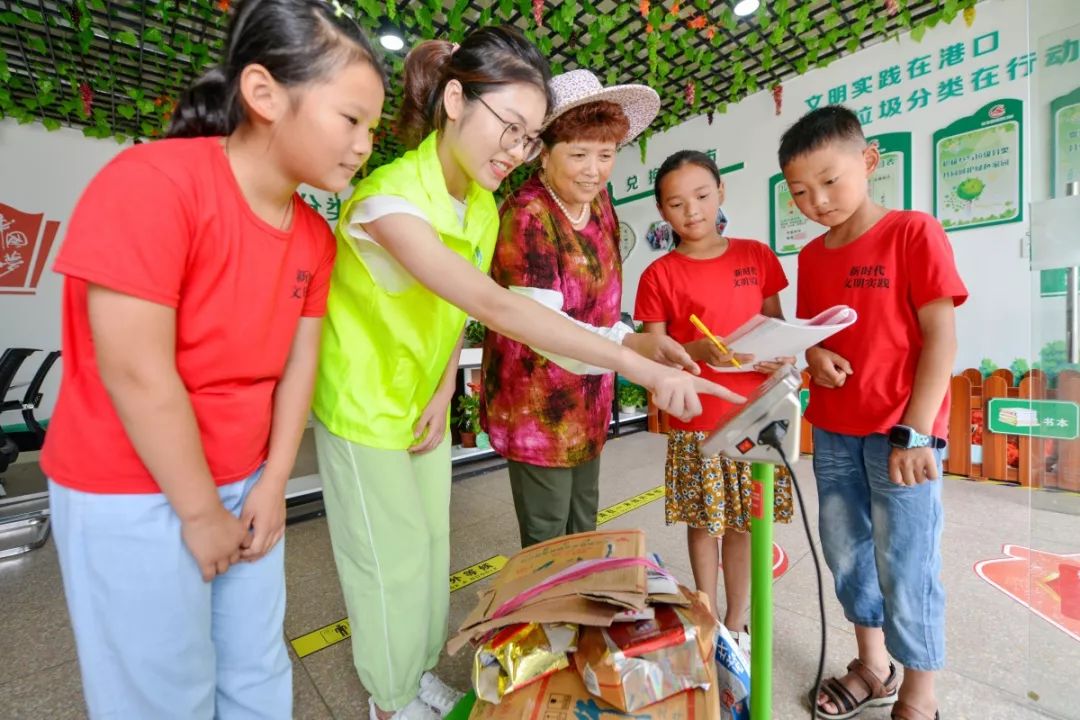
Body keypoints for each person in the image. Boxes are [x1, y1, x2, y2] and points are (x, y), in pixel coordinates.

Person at [312, 27, 739, 720]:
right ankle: (387, 701)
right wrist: (637, 362)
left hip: (419, 399)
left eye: (528, 137)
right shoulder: (387, 202)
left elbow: (454, 313)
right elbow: (494, 305)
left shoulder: (479, 205)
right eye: (510, 128)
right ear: (456, 100)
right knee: (386, 562)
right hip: (363, 405)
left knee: (429, 551)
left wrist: (444, 386)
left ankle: (414, 674)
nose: (515, 150)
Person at [39, 2, 386, 717]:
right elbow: (137, 371)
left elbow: (298, 366)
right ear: (264, 94)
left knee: (257, 669)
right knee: (163, 692)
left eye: (373, 128)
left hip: (245, 482)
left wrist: (273, 481)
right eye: (351, 119)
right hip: (133, 488)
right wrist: (199, 513)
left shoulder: (313, 238)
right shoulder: (152, 183)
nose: (364, 145)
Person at [779, 105, 967, 720]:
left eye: (829, 181)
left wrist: (917, 431)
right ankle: (873, 666)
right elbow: (817, 335)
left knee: (906, 561)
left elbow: (941, 337)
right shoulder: (811, 257)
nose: (817, 201)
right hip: (834, 430)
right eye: (800, 191)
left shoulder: (913, 232)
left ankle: (919, 694)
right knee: (847, 553)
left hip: (900, 434)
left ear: (868, 160)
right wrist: (813, 353)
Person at [481, 69, 684, 548]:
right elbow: (542, 328)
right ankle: (551, 599)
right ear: (544, 153)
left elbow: (602, 301)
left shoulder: (600, 204)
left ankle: (583, 597)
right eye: (578, 154)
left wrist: (634, 340)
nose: (594, 170)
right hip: (538, 405)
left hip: (590, 396)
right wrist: (632, 354)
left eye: (605, 154)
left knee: (584, 524)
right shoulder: (527, 214)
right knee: (549, 539)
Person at [634, 150, 796, 653]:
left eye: (703, 196)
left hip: (756, 412)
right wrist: (697, 353)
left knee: (745, 523)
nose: (693, 211)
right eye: (676, 203)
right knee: (704, 521)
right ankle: (706, 615)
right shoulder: (658, 275)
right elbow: (653, 354)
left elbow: (776, 326)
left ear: (721, 191)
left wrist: (780, 356)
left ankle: (737, 623)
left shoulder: (756, 256)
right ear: (662, 210)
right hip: (697, 419)